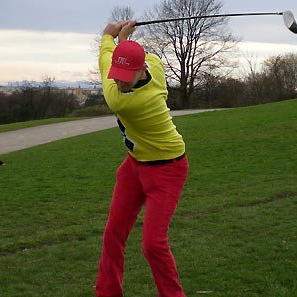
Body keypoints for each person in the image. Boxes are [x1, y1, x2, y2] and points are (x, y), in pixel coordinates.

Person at [95, 20, 189, 297]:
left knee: (152, 244)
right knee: (113, 233)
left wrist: (108, 38)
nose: (119, 81)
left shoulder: (124, 100)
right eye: (117, 73)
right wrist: (125, 42)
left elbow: (104, 59)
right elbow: (139, 56)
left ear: (141, 70)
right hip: (134, 166)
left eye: (126, 75)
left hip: (168, 169)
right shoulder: (154, 65)